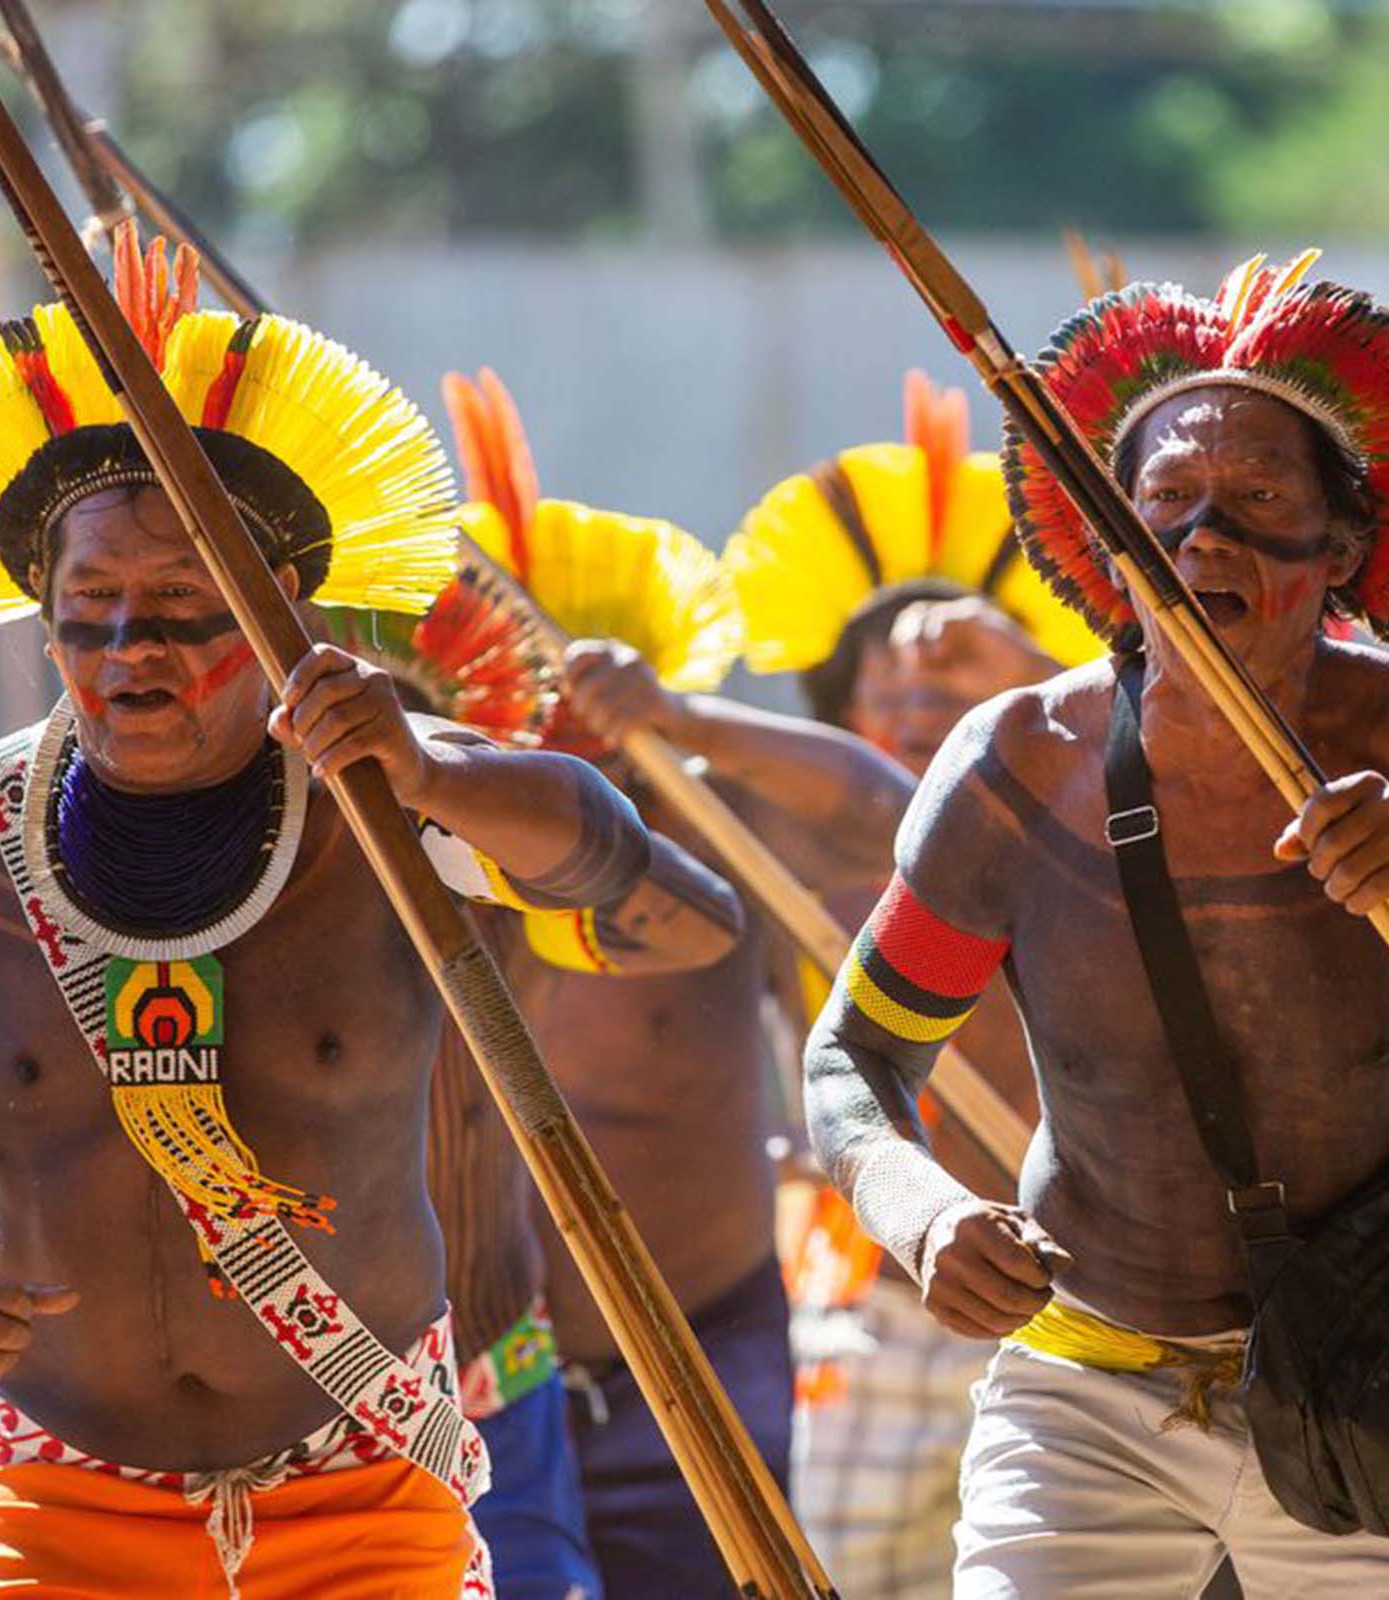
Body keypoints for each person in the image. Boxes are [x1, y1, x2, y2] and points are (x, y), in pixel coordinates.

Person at [804, 251, 1389, 1595]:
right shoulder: (1019, 769)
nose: (1204, 541)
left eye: (1255, 503)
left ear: (1339, 549)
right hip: (1085, 1388)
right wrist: (924, 1212)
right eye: (1165, 502)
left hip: (1386, 1380)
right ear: (1115, 542)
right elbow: (855, 1061)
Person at [0, 233, 658, 1597]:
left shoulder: (384, 814)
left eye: (184, 605)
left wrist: (429, 765)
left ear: (276, 611)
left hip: (367, 1481)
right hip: (58, 1497)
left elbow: (607, 862)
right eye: (92, 610)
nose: (133, 646)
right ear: (43, 622)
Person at [431, 370, 918, 1598]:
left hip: (707, 1344)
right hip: (481, 1366)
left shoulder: (710, 816)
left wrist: (683, 718)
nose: (557, 717)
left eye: (585, 693)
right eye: (524, 694)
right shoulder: (426, 842)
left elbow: (886, 819)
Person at [314, 382, 755, 1600]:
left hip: (494, 1393)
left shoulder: (488, 856)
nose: (366, 746)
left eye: (399, 722)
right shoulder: (214, 870)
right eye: (339, 716)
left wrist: (438, 782)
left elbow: (700, 925)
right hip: (276, 1418)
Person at [725, 371, 1095, 1597]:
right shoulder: (793, 850)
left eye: (946, 696)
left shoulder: (1087, 834)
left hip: (1067, 1293)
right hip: (877, 1299)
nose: (912, 721)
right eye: (885, 700)